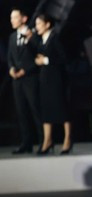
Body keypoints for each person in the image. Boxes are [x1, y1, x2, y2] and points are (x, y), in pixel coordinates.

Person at [33, 14, 71, 154]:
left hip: (56, 79)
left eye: (39, 24)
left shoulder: (55, 38)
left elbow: (63, 58)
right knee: (46, 109)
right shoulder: (40, 40)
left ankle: (67, 139)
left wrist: (47, 60)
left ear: (47, 24)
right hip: (44, 79)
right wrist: (39, 61)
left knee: (61, 108)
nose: (37, 27)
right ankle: (47, 141)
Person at [8, 8, 41, 154]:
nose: (12, 20)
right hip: (17, 81)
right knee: (21, 112)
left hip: (30, 78)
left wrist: (25, 70)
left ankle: (44, 142)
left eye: (15, 17)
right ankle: (26, 143)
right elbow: (10, 57)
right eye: (11, 18)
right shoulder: (11, 37)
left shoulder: (33, 34)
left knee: (35, 110)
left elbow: (38, 55)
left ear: (24, 18)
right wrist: (11, 69)